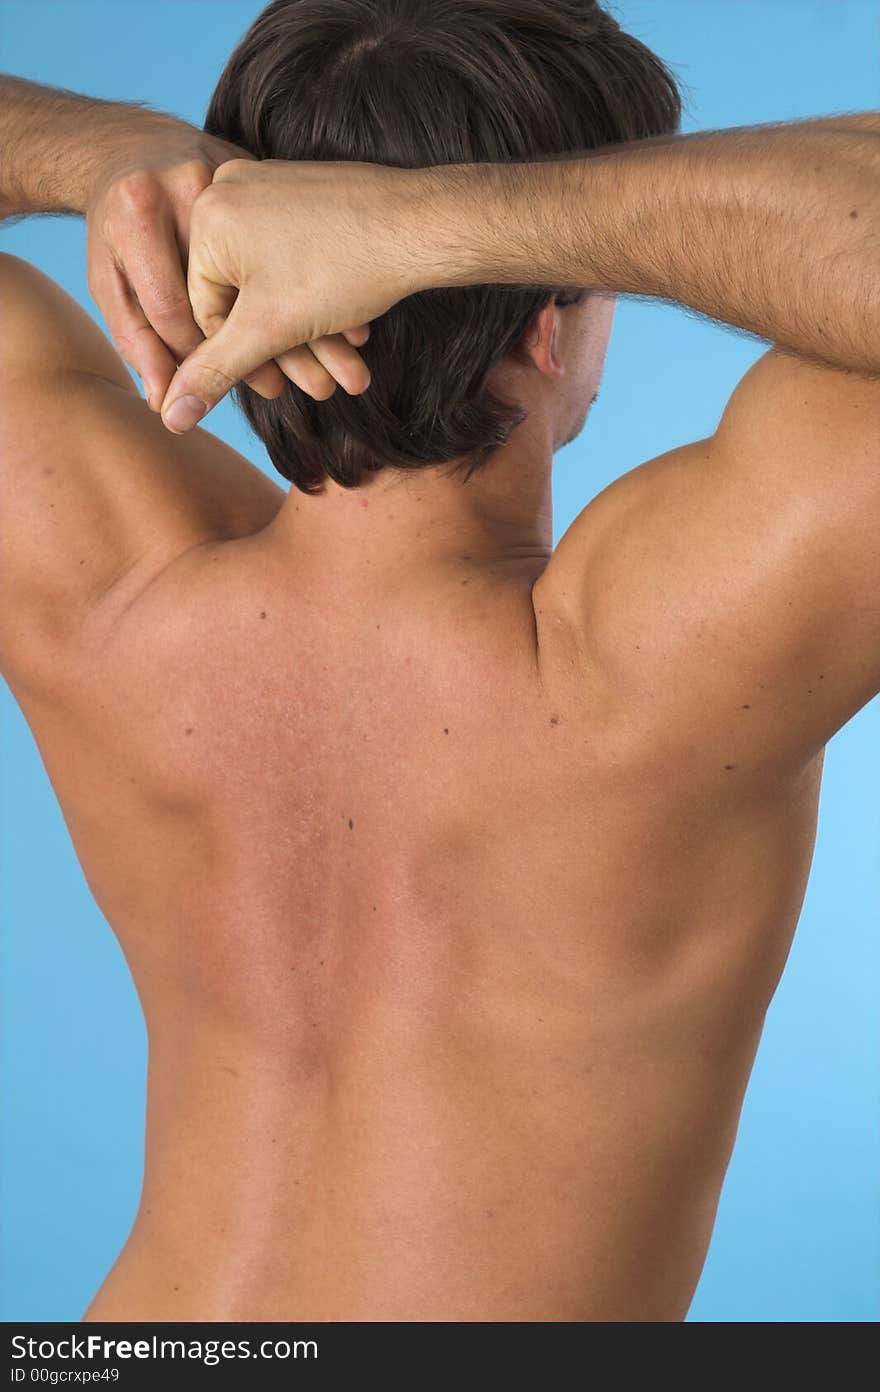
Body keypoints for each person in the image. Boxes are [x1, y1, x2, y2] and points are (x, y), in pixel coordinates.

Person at [0, 0, 876, 1322]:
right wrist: (465, 226)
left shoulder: (106, 589)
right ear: (547, 326)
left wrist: (104, 156)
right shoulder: (653, 673)